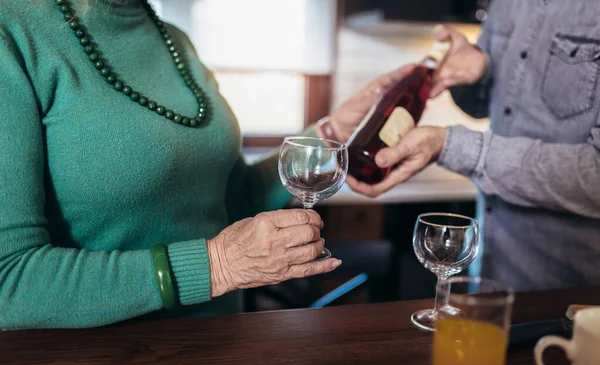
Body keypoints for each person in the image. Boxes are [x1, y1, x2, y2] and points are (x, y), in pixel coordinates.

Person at [0, 0, 414, 329]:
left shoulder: (175, 40)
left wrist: (331, 131)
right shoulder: (15, 31)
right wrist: (217, 265)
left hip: (220, 344)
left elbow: (230, 199)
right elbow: (9, 283)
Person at [342, 0, 600, 291]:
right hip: (489, 267)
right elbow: (487, 107)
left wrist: (447, 145)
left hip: (572, 289)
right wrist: (477, 73)